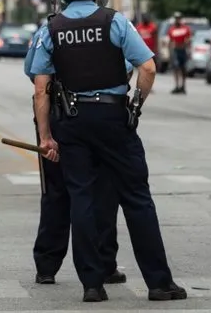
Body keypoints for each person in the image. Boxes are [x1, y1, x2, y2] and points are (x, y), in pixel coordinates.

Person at [30, 0, 186, 303]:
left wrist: (45, 136)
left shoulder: (50, 29)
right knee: (136, 198)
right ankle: (159, 283)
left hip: (71, 122)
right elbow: (147, 68)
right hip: (113, 119)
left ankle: (92, 284)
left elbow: (40, 89)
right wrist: (134, 107)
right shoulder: (115, 22)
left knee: (81, 198)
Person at [25, 29, 130, 287]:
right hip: (103, 119)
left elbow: (35, 76)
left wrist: (44, 134)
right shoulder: (110, 25)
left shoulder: (49, 31)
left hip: (61, 119)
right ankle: (104, 265)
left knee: (57, 194)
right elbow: (127, 70)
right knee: (103, 194)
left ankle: (47, 267)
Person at [167, 12, 191, 94]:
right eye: (176, 18)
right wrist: (169, 52)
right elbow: (170, 41)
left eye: (179, 18)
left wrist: (188, 50)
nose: (178, 19)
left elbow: (188, 39)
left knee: (183, 68)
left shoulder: (185, 28)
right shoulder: (172, 29)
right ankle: (177, 86)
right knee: (176, 68)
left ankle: (183, 86)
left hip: (183, 50)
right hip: (175, 50)